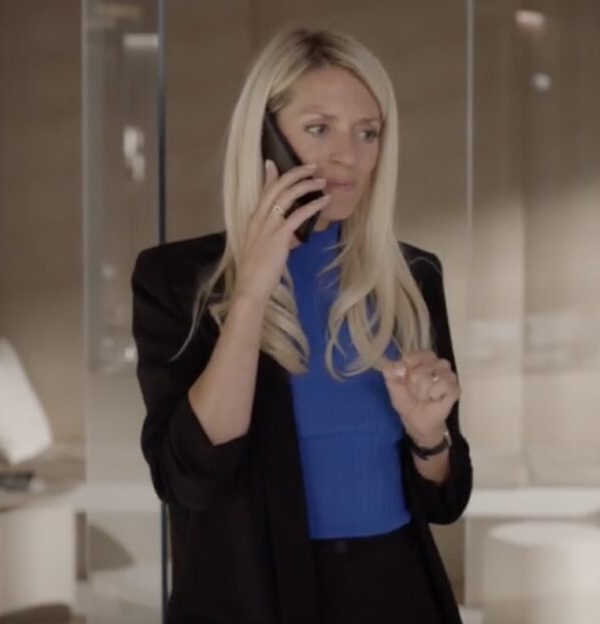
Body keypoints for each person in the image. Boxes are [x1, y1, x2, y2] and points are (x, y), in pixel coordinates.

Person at [131, 27, 472, 624]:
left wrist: (428, 437)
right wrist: (253, 291)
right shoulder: (175, 280)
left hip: (399, 591)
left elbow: (446, 500)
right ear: (264, 138)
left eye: (368, 132)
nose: (348, 156)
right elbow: (189, 477)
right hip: (255, 599)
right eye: (319, 129)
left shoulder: (412, 278)